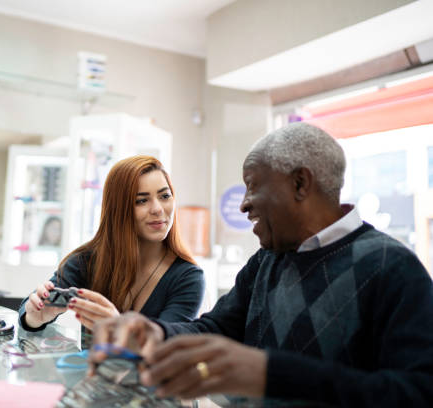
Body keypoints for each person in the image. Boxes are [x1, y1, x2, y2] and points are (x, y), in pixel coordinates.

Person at [91, 123, 433, 407]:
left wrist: (271, 375)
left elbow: (418, 393)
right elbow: (217, 327)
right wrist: (157, 332)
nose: (243, 205)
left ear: (300, 183)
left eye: (252, 185)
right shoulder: (267, 260)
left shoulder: (393, 269)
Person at [19, 155, 205, 336]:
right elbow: (28, 311)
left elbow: (167, 348)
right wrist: (35, 318)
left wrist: (121, 329)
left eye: (165, 196)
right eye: (141, 200)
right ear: (118, 209)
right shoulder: (87, 261)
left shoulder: (187, 277)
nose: (157, 209)